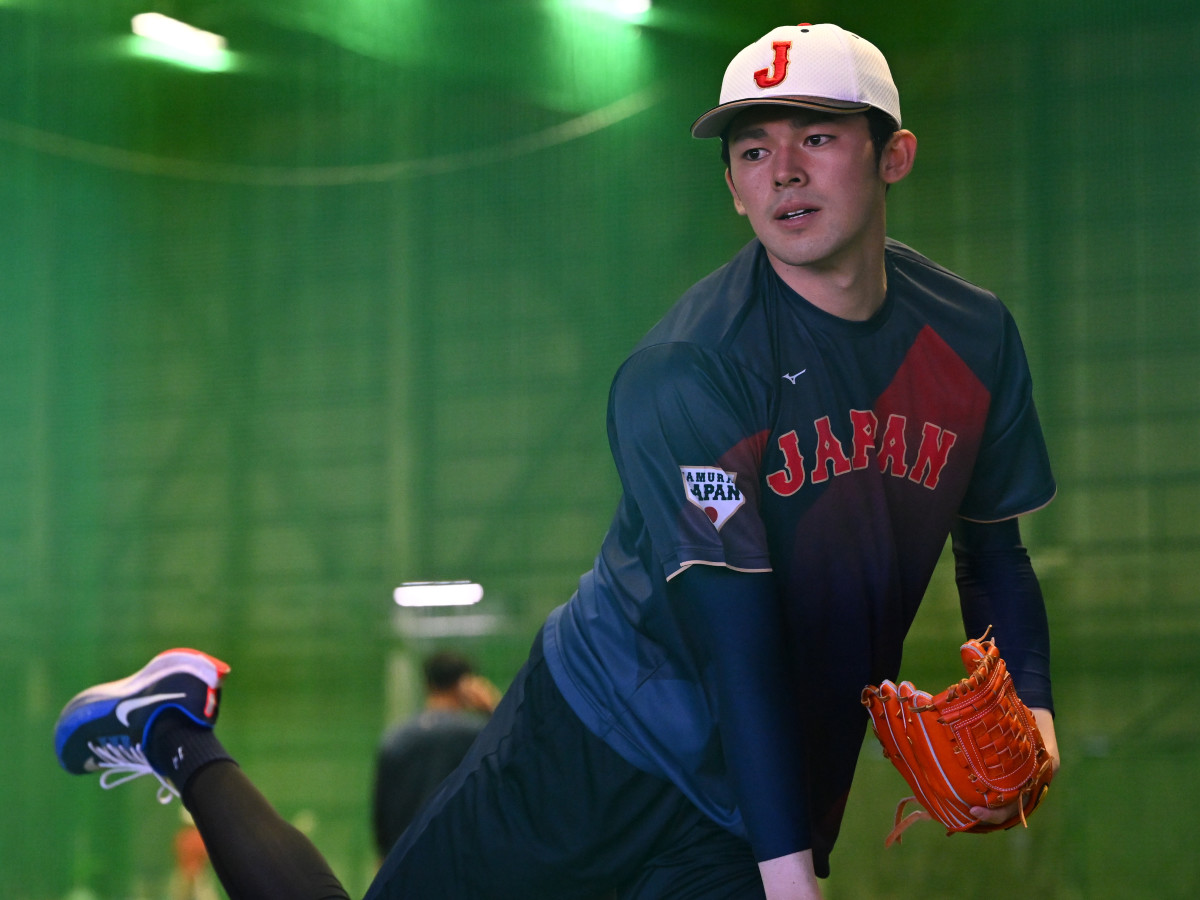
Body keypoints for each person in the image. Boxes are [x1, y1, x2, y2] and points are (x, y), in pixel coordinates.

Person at [53, 23, 1061, 900]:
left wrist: (1038, 710)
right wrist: (788, 876)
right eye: (753, 151)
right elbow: (734, 639)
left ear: (894, 157)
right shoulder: (688, 369)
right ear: (732, 188)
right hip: (593, 741)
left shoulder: (970, 341)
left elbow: (996, 554)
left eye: (820, 138)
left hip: (751, 793)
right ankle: (175, 731)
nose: (784, 170)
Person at [371, 651, 499, 858]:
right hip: (459, 863)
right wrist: (493, 709)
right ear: (466, 686)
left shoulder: (396, 738)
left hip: (404, 865)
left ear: (427, 684)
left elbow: (381, 817)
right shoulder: (478, 736)